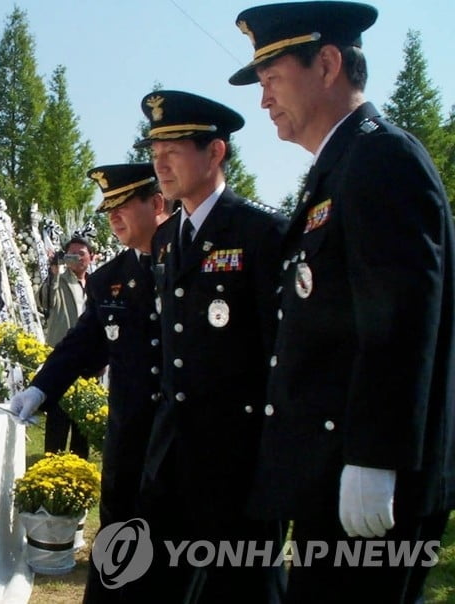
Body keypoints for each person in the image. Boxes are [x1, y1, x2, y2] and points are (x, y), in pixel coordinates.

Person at [229, 3, 455, 602]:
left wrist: (375, 457)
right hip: (335, 471)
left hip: (372, 480)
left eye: (272, 79)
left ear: (326, 63)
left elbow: (402, 317)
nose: (264, 100)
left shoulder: (381, 159)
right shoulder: (339, 167)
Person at [134, 90, 287, 603]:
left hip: (236, 457)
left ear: (215, 152)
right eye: (155, 150)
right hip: (173, 452)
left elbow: (279, 351)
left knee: (242, 589)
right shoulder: (166, 239)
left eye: (173, 149)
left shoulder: (261, 233)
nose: (160, 162)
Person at [9, 163, 167, 603]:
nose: (113, 217)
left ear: (157, 204)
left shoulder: (189, 261)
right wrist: (39, 389)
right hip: (130, 439)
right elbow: (81, 346)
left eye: (123, 206)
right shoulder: (107, 279)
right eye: (108, 209)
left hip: (183, 440)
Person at [35, 236, 96, 458]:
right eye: (72, 253)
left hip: (90, 361)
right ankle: (52, 462)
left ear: (91, 257)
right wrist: (53, 271)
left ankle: (79, 463)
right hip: (62, 359)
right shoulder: (58, 281)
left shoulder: (97, 283)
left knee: (84, 420)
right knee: (58, 417)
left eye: (82, 253)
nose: (77, 258)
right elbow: (44, 300)